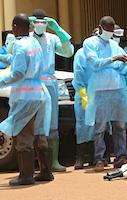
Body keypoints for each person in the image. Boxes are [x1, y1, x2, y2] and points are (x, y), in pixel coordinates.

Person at [0, 13, 53, 186]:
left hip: (25, 96)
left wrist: (1, 82)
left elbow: (18, 72)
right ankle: (45, 171)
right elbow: (20, 62)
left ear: (15, 27)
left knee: (22, 135)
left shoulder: (20, 45)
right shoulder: (33, 43)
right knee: (39, 132)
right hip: (40, 94)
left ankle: (26, 175)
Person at [83, 16, 127, 172]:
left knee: (119, 125)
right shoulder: (89, 43)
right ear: (100, 27)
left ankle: (121, 157)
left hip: (117, 89)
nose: (110, 33)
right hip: (99, 90)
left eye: (112, 30)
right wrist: (113, 59)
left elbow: (125, 68)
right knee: (100, 127)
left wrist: (124, 64)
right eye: (107, 30)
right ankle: (99, 158)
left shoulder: (115, 45)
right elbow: (95, 64)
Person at [29, 9, 74, 172]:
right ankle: (35, 162)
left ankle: (53, 161)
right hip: (32, 83)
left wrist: (58, 29)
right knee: (32, 122)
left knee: (52, 123)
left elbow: (69, 52)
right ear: (32, 22)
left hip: (50, 83)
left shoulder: (52, 38)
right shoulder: (27, 39)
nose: (40, 25)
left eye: (43, 22)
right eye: (37, 22)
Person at [72, 48, 95, 170]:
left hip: (97, 90)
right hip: (83, 92)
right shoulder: (81, 53)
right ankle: (80, 157)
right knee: (81, 124)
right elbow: (78, 73)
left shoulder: (99, 51)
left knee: (95, 124)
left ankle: (93, 156)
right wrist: (83, 93)